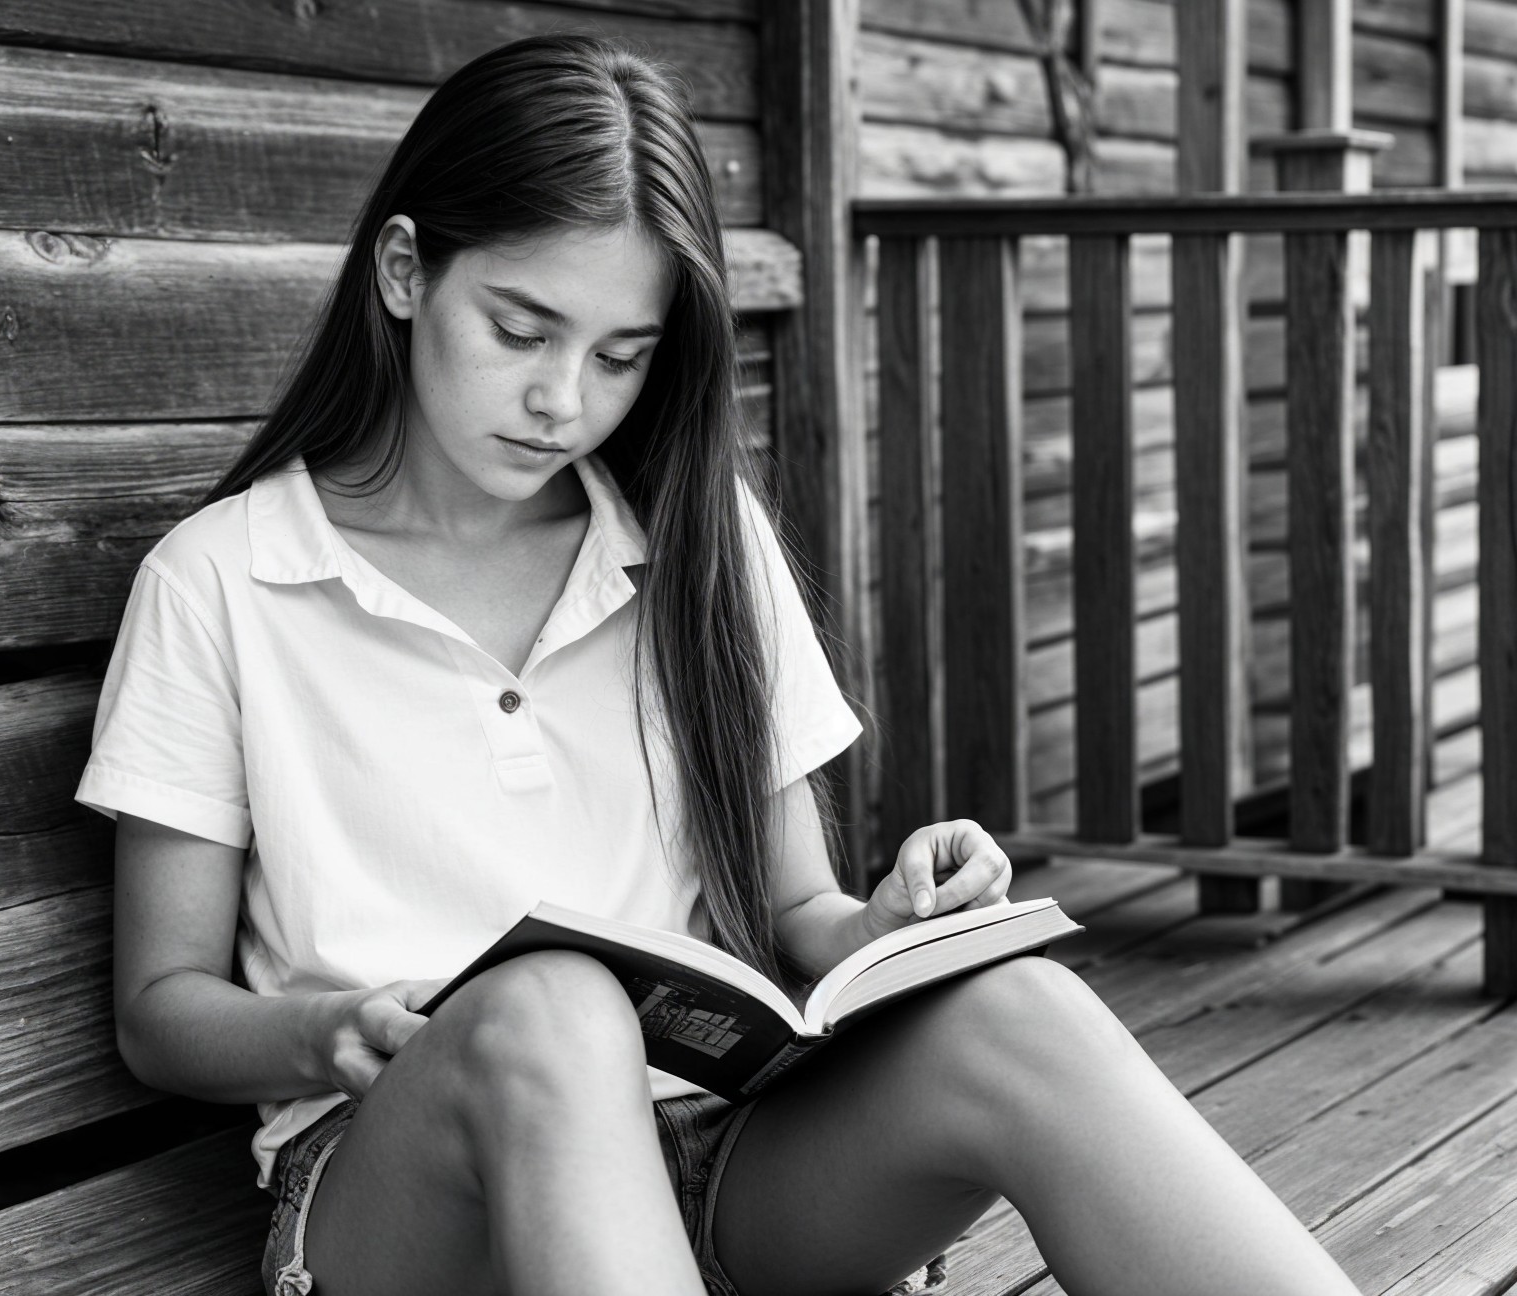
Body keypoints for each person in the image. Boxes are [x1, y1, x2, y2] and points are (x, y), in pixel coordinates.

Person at [75, 33, 1363, 1296]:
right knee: (552, 1010)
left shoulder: (693, 544)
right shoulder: (224, 581)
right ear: (406, 271)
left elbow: (802, 915)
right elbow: (161, 1005)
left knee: (1024, 1015)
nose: (563, 400)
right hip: (399, 1188)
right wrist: (331, 1030)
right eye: (520, 330)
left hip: (711, 1151)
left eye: (620, 357)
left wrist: (891, 926)